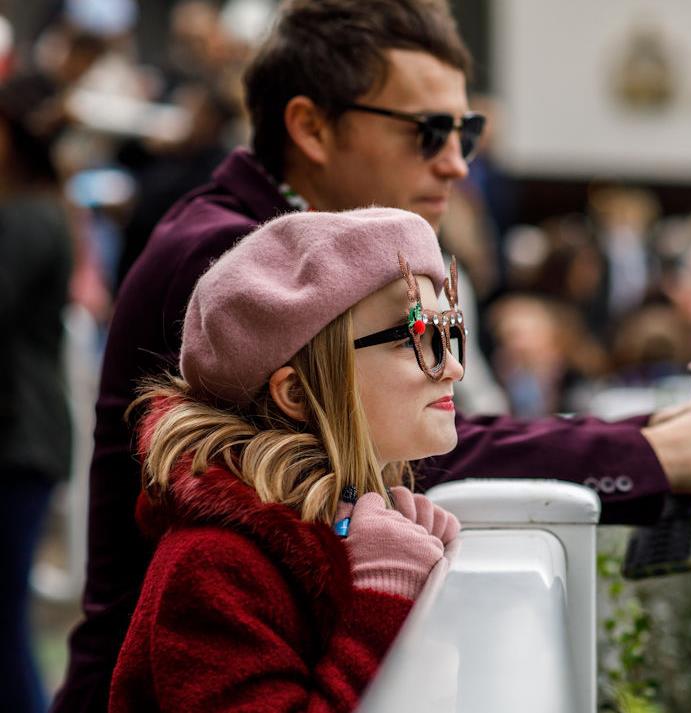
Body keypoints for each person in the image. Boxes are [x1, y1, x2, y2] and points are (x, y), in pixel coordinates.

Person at [54, 2, 691, 710]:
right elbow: (401, 448)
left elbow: (410, 432)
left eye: (467, 130)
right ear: (310, 126)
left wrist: (644, 440)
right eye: (428, 131)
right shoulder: (246, 272)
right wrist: (647, 452)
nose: (458, 163)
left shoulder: (284, 255)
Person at [108, 207, 463, 711]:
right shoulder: (213, 564)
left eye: (449, 331)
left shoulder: (336, 526)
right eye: (418, 336)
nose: (451, 366)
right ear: (296, 391)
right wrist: (384, 599)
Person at [0, 77, 75, 713]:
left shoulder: (27, 216)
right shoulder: (38, 210)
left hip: (18, 442)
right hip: (23, 439)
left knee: (2, 627)